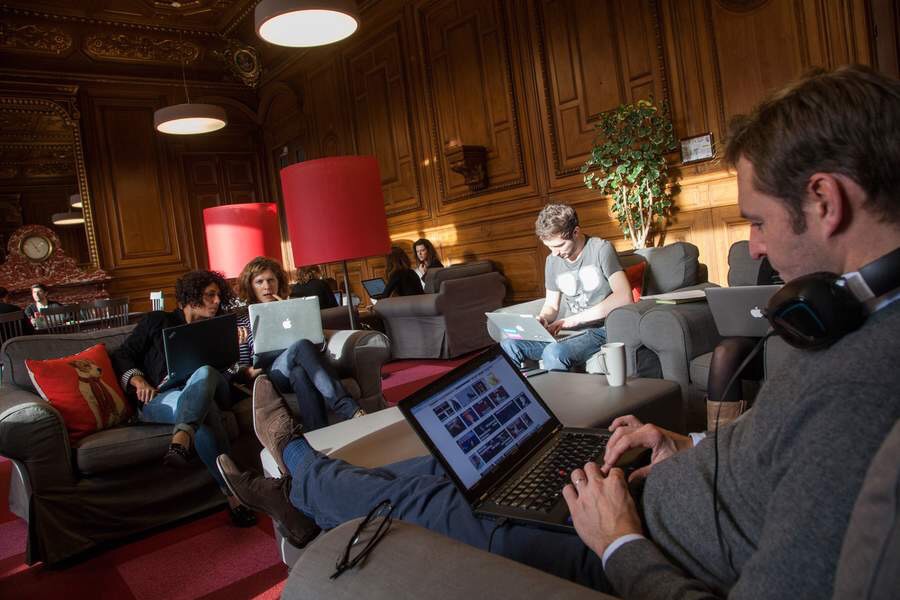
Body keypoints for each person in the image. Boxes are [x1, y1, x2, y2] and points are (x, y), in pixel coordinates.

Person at [216, 65, 900, 597]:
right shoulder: (859, 322)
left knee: (437, 496)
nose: (756, 247)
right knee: (470, 469)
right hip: (658, 487)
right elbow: (778, 463)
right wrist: (684, 442)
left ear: (824, 200)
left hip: (637, 543)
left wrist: (618, 543)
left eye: (755, 220)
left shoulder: (863, 393)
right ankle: (308, 483)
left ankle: (297, 467)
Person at [112, 270, 257, 528]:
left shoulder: (220, 327)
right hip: (163, 397)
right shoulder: (157, 321)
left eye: (218, 296)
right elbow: (123, 355)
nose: (216, 302)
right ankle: (234, 494)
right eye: (209, 295)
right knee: (204, 410)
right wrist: (138, 380)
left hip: (213, 387)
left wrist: (234, 350)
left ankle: (183, 435)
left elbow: (229, 373)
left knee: (203, 373)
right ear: (190, 297)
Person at [235, 257, 365, 432]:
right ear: (250, 285)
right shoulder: (244, 318)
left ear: (278, 282)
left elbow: (318, 345)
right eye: (259, 282)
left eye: (271, 280)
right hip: (270, 374)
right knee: (301, 346)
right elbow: (243, 369)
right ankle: (348, 407)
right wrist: (254, 368)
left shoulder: (291, 309)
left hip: (297, 368)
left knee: (300, 373)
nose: (267, 286)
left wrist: (296, 315)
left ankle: (319, 434)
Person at [500, 204, 633, 371]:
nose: (554, 253)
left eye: (559, 246)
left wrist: (572, 320)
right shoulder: (552, 260)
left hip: (601, 329)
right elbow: (551, 305)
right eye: (549, 247)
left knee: (554, 353)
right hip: (568, 331)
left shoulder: (601, 249)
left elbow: (624, 296)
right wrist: (543, 319)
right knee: (509, 345)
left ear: (575, 232)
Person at [704, 257, 783, 429]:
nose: (755, 252)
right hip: (764, 340)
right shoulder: (769, 260)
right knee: (725, 351)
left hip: (795, 339)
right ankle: (719, 439)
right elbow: (760, 304)